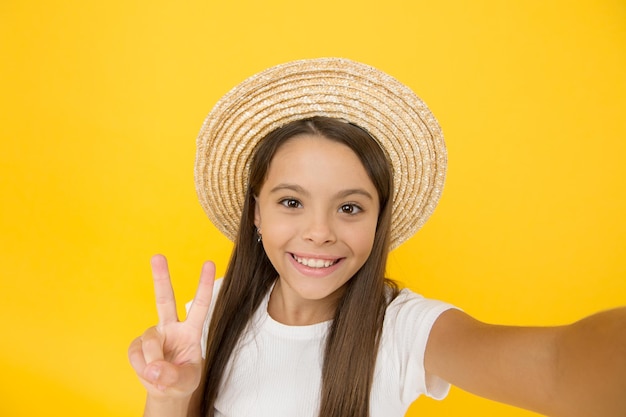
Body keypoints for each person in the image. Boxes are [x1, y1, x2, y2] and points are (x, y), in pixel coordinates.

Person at [128, 58, 626, 417]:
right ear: (255, 214)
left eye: (349, 208)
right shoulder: (210, 314)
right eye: (291, 202)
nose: (319, 232)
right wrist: (170, 395)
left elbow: (556, 367)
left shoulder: (402, 331)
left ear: (378, 221)